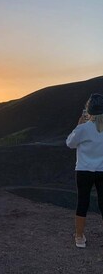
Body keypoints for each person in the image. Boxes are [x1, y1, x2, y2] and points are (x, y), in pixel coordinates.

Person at [66, 93, 103, 248]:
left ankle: (79, 237)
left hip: (84, 170)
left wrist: (78, 125)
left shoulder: (83, 128)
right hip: (102, 170)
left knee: (83, 202)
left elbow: (70, 143)